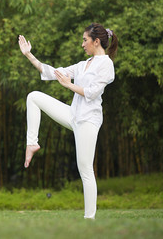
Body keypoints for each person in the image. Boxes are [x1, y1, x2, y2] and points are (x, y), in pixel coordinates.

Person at [18, 23, 118, 219]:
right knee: (33, 97)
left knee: (85, 170)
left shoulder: (106, 64)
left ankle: (89, 219)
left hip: (88, 120)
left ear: (96, 41)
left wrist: (69, 85)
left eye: (85, 40)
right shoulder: (83, 65)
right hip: (73, 114)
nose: (82, 44)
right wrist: (29, 55)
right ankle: (32, 143)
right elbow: (51, 72)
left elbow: (92, 93)